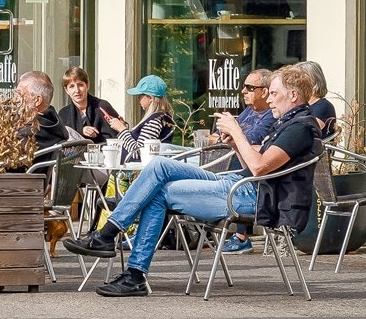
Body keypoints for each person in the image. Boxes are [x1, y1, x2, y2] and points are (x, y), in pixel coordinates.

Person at [64, 65, 322, 297]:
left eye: (274, 93)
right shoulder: (287, 123)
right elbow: (253, 166)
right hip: (238, 183)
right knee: (159, 165)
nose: (269, 98)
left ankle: (123, 258)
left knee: (160, 193)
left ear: (293, 96)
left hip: (249, 196)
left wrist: (237, 132)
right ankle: (114, 244)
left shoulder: (298, 128)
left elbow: (259, 167)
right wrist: (235, 144)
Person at [221, 69, 278, 254]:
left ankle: (241, 237)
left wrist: (235, 134)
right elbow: (217, 136)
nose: (243, 91)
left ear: (265, 91)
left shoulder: (271, 114)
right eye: (244, 87)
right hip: (231, 164)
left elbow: (253, 139)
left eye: (250, 88)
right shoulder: (249, 111)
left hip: (247, 172)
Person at [57, 67, 126, 142]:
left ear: (87, 85)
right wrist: (81, 131)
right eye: (72, 86)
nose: (77, 90)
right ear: (66, 90)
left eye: (80, 85)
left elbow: (116, 137)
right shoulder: (63, 114)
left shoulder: (102, 107)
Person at [115, 75, 175, 158]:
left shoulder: (155, 121)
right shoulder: (162, 118)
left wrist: (122, 130)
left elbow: (139, 153)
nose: (138, 99)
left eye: (140, 95)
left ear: (150, 98)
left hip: (135, 169)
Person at [15, 70, 72, 151]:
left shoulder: (28, 134)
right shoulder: (55, 124)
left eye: (19, 95)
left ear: (37, 100)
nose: (15, 100)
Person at [297, 61, 339, 140]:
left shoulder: (323, 106)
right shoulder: (303, 105)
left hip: (313, 151)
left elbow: (305, 133)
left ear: (311, 80)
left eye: (298, 79)